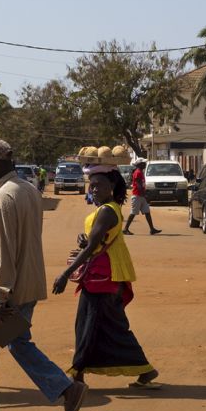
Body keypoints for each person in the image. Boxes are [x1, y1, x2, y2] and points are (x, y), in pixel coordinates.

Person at [0, 138, 88, 411]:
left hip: (4, 287)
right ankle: (67, 389)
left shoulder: (4, 196)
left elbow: (5, 250)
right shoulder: (27, 190)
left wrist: (1, 295)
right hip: (28, 283)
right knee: (18, 343)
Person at [52, 156, 159, 388]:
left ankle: (77, 373)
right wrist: (85, 241)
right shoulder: (108, 209)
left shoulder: (107, 211)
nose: (94, 189)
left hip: (102, 278)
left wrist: (65, 273)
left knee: (90, 326)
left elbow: (93, 247)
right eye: (92, 185)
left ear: (111, 186)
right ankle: (143, 370)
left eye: (99, 185)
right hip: (104, 276)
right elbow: (95, 242)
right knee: (109, 327)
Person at [122, 157, 161, 235]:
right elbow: (138, 184)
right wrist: (144, 194)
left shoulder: (140, 172)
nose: (145, 164)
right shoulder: (138, 172)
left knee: (147, 212)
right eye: (144, 163)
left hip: (141, 196)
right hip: (137, 195)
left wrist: (144, 194)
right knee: (133, 213)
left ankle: (152, 229)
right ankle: (125, 229)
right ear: (140, 164)